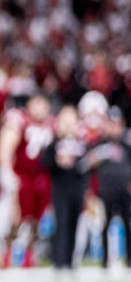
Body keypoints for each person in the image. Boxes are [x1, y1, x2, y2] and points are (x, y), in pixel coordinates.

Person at [0, 94, 54, 268]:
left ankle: (30, 252)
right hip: (22, 176)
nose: (39, 109)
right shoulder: (19, 122)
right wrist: (6, 171)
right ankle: (7, 252)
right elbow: (5, 146)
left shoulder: (51, 125)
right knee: (16, 217)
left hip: (41, 177)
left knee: (37, 219)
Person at [84, 108, 131, 268]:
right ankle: (105, 261)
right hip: (107, 189)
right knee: (105, 224)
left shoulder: (127, 143)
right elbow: (86, 164)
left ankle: (129, 260)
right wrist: (97, 155)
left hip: (125, 189)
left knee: (128, 224)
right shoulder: (100, 144)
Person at [43, 106, 89, 270]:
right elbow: (45, 162)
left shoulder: (82, 144)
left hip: (77, 189)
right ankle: (59, 260)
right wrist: (58, 161)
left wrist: (77, 164)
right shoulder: (54, 143)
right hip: (60, 189)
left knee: (74, 223)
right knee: (61, 222)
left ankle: (70, 260)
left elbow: (87, 167)